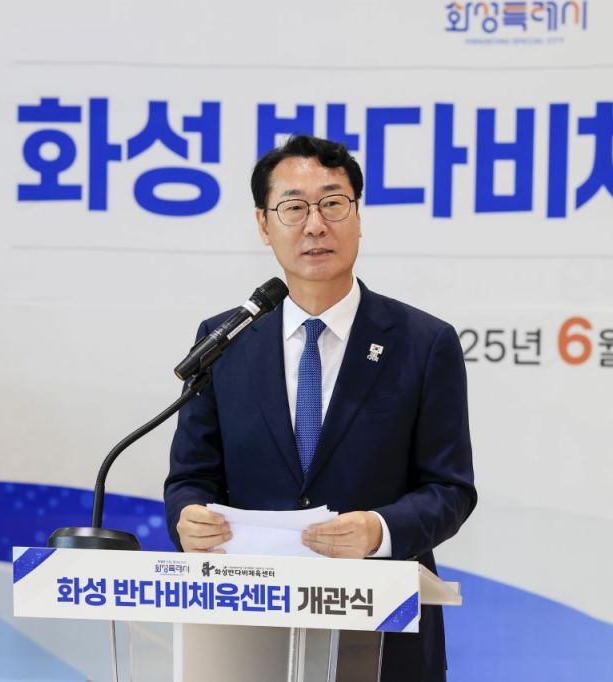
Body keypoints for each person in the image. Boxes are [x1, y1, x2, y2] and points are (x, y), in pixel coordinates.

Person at [164, 134, 477, 682]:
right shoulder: (224, 341)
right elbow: (191, 477)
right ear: (264, 225)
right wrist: (187, 518)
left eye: (333, 204)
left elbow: (450, 489)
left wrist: (379, 529)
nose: (315, 225)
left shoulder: (423, 342)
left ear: (358, 216)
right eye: (294, 208)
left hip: (382, 631)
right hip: (249, 631)